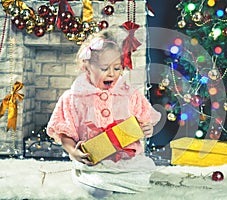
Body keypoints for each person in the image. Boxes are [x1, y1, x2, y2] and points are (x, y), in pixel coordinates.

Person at [46, 30, 161, 198]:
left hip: (126, 161)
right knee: (98, 189)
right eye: (104, 68)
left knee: (141, 182)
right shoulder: (74, 98)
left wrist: (147, 127)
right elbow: (65, 132)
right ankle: (94, 182)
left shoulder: (129, 94)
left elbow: (144, 121)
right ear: (86, 67)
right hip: (93, 161)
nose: (112, 73)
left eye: (117, 68)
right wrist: (73, 151)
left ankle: (121, 183)